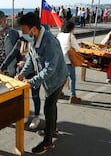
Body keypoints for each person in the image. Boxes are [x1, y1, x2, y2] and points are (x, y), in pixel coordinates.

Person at [15, 12, 68, 154]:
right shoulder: (33, 39)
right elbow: (31, 61)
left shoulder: (49, 41)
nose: (23, 34)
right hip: (49, 79)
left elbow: (49, 69)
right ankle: (53, 129)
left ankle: (48, 142)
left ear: (33, 29)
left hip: (57, 79)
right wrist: (22, 74)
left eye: (24, 31)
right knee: (52, 106)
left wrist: (31, 81)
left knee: (48, 108)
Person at [0, 37, 41, 129]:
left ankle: (36, 117)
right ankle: (24, 114)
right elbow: (11, 55)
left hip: (34, 74)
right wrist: (1, 69)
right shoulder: (20, 41)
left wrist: (25, 63)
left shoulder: (36, 41)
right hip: (21, 74)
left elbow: (39, 59)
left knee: (35, 95)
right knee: (21, 96)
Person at [56, 20, 82, 104]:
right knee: (72, 78)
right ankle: (72, 96)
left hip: (59, 59)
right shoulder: (70, 36)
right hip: (68, 60)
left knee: (61, 78)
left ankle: (59, 93)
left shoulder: (59, 35)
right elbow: (77, 48)